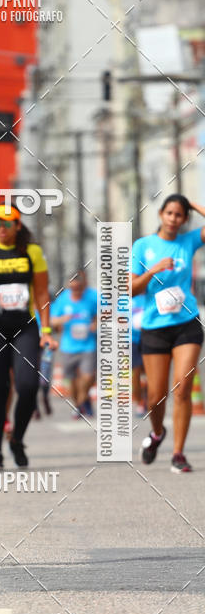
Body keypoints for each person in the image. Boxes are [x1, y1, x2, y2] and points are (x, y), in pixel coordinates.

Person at [0, 203, 56, 468]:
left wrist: (47, 330)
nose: (1, 229)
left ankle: (17, 438)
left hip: (25, 327)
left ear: (18, 226)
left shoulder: (32, 253)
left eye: (8, 223)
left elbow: (42, 293)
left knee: (28, 386)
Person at [131, 194, 205, 472]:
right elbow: (131, 289)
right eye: (170, 213)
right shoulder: (143, 246)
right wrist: (153, 271)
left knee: (183, 388)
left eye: (179, 215)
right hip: (155, 328)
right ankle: (157, 433)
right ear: (161, 214)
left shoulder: (188, 241)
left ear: (185, 219)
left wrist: (192, 204)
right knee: (155, 398)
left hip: (186, 324)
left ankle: (178, 454)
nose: (173, 219)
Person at [50, 269, 98, 418]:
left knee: (88, 377)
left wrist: (96, 323)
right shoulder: (63, 299)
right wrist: (62, 319)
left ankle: (82, 401)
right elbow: (52, 319)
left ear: (84, 285)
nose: (76, 291)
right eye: (73, 288)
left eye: (79, 288)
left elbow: (107, 311)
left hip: (88, 344)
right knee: (72, 380)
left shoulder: (93, 296)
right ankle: (80, 405)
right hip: (68, 346)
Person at [131, 292, 147, 417]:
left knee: (147, 374)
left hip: (150, 339)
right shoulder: (125, 299)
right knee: (135, 373)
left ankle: (147, 399)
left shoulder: (150, 295)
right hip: (131, 341)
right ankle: (140, 401)